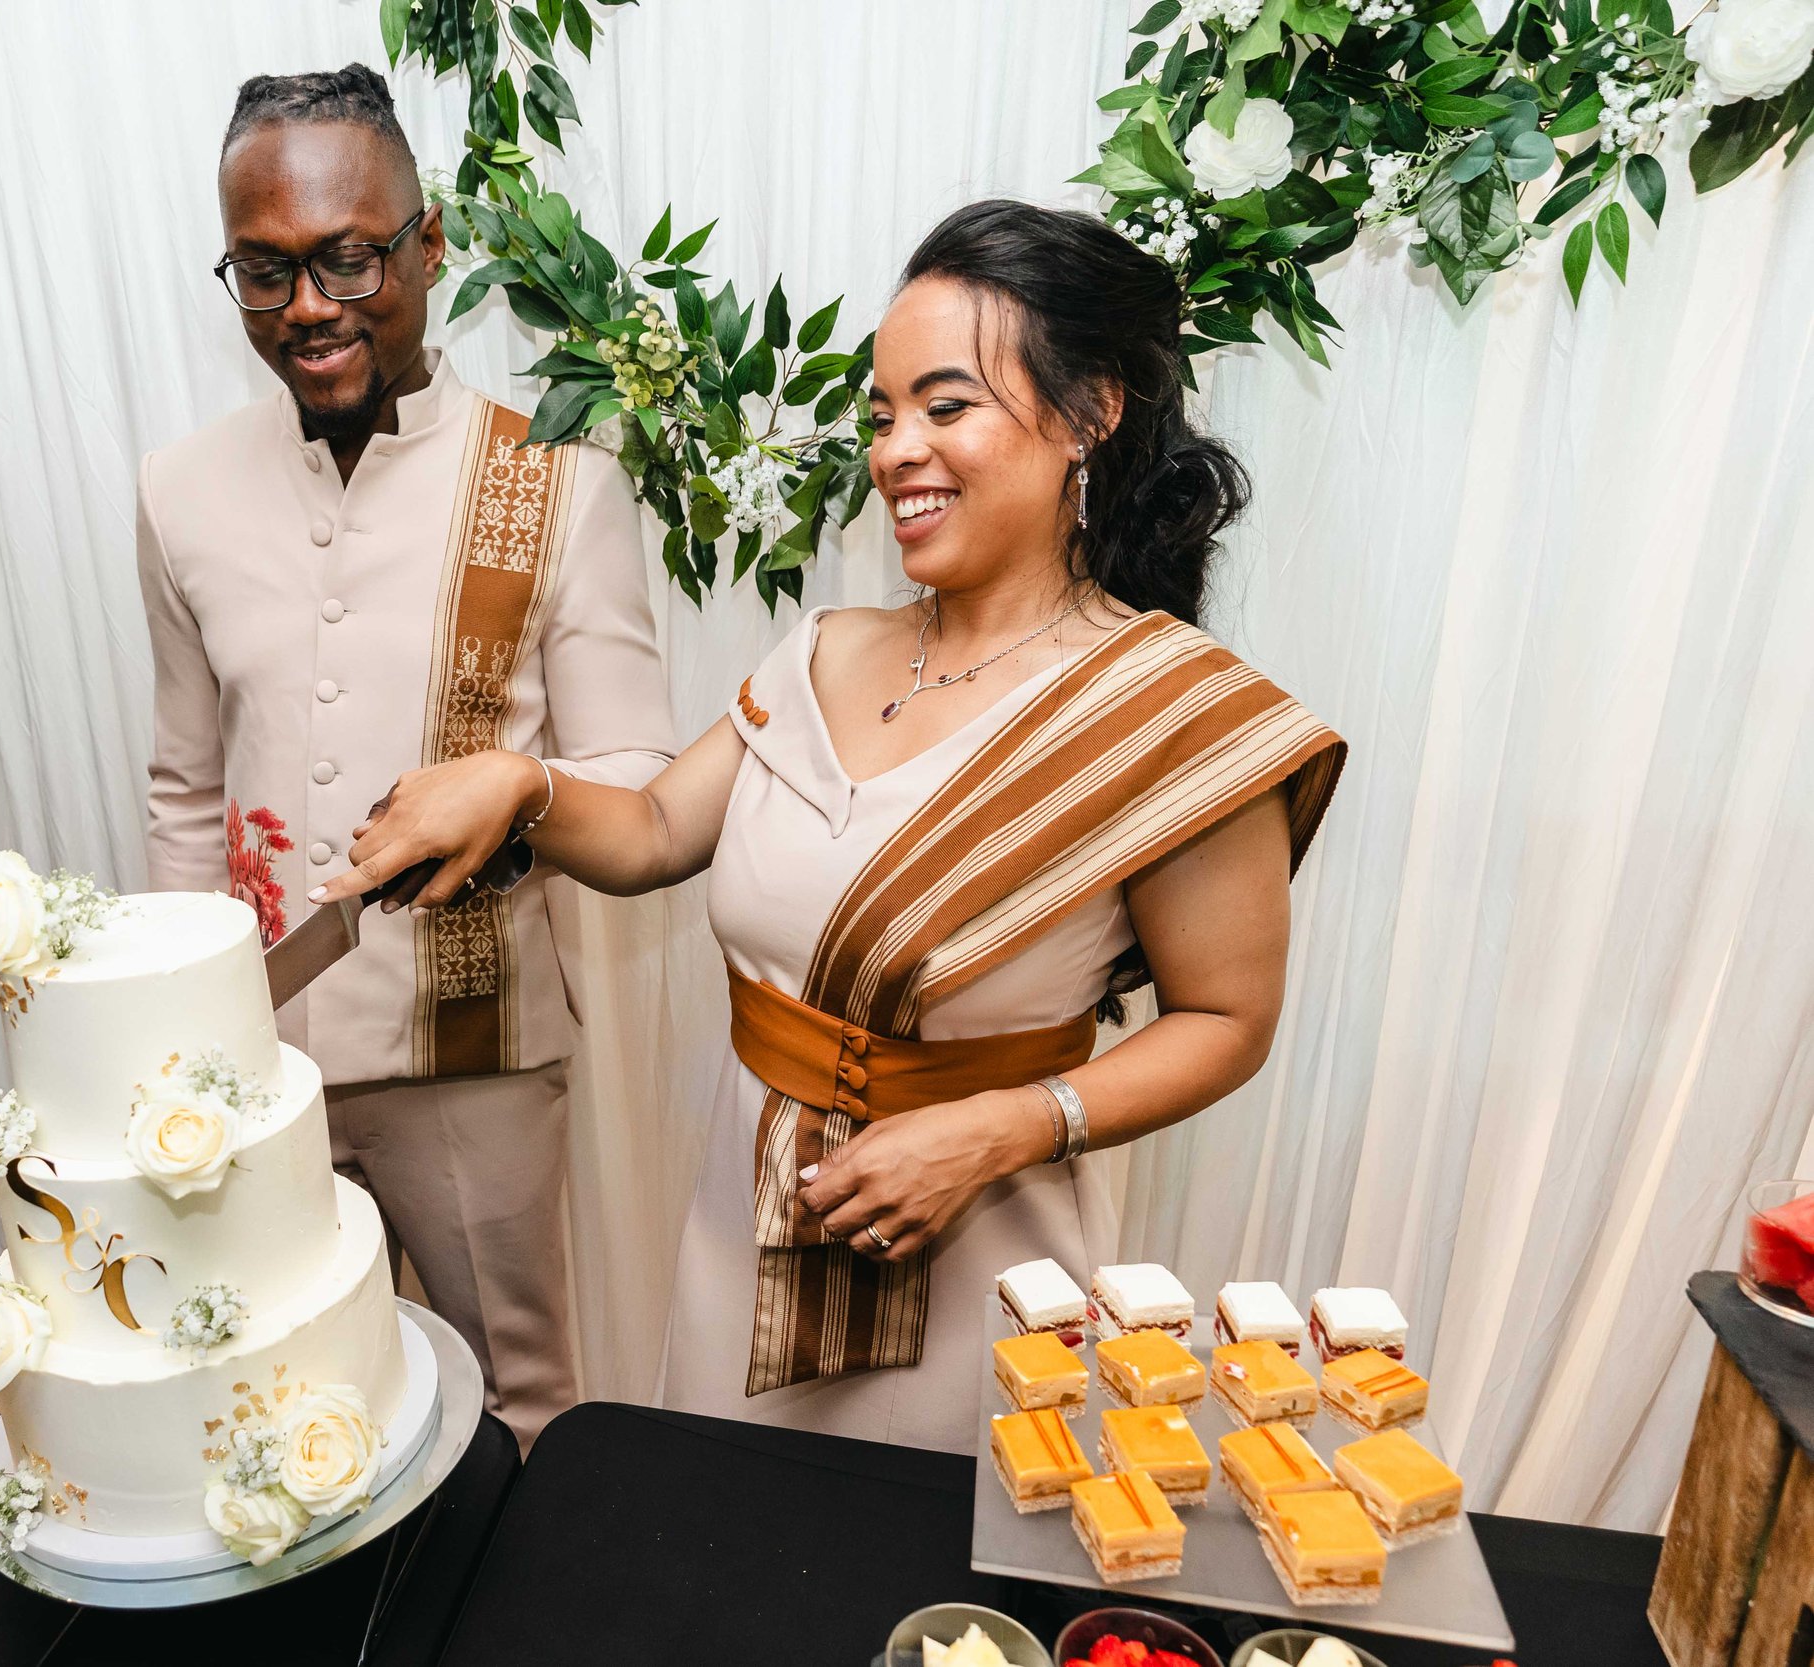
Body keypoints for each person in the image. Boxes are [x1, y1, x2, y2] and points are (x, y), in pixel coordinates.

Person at [315, 199, 1346, 1451]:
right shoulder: (828, 648)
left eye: (946, 405)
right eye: (881, 412)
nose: (897, 448)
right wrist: (518, 785)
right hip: (740, 1218)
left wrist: (1003, 1125)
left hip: (983, 1250)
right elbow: (646, 829)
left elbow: (1226, 1020)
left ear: (1089, 414)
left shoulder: (1170, 715)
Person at [137, 65, 677, 1450]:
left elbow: (637, 779)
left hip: (477, 1054)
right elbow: (188, 788)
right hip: (257, 1069)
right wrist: (188, 1040)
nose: (308, 306)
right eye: (265, 272)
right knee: (291, 1396)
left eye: (348, 258)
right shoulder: (179, 490)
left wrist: (521, 795)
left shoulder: (559, 478)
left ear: (428, 246)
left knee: (521, 1399)